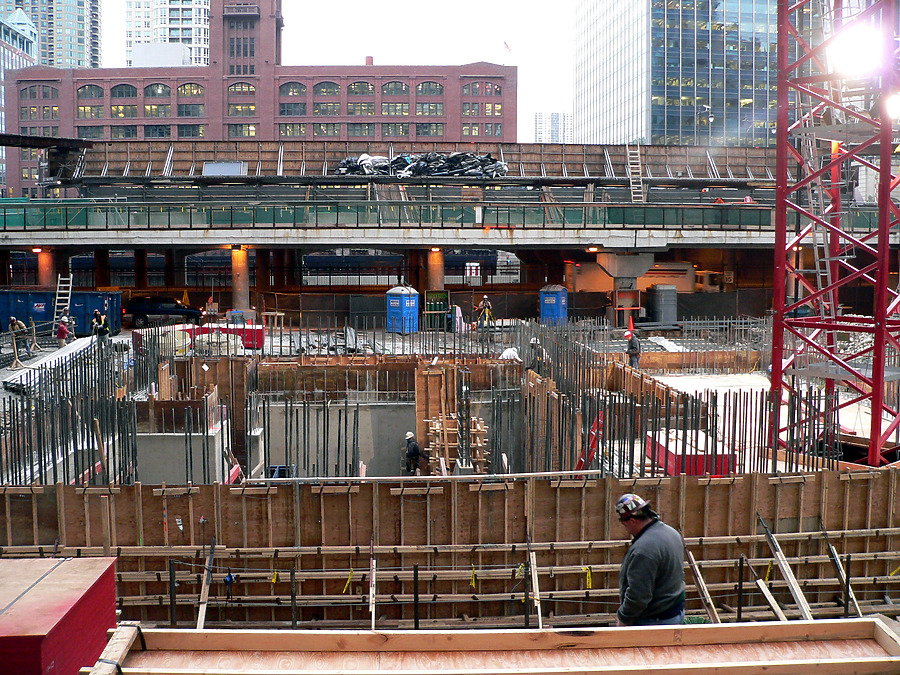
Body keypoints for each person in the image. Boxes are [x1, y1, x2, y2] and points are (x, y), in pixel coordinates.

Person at [615, 493, 685, 627]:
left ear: (633, 521)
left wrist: (623, 619)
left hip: (654, 621)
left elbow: (638, 596)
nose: (627, 530)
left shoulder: (643, 550)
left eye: (625, 525)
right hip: (674, 613)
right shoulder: (671, 533)